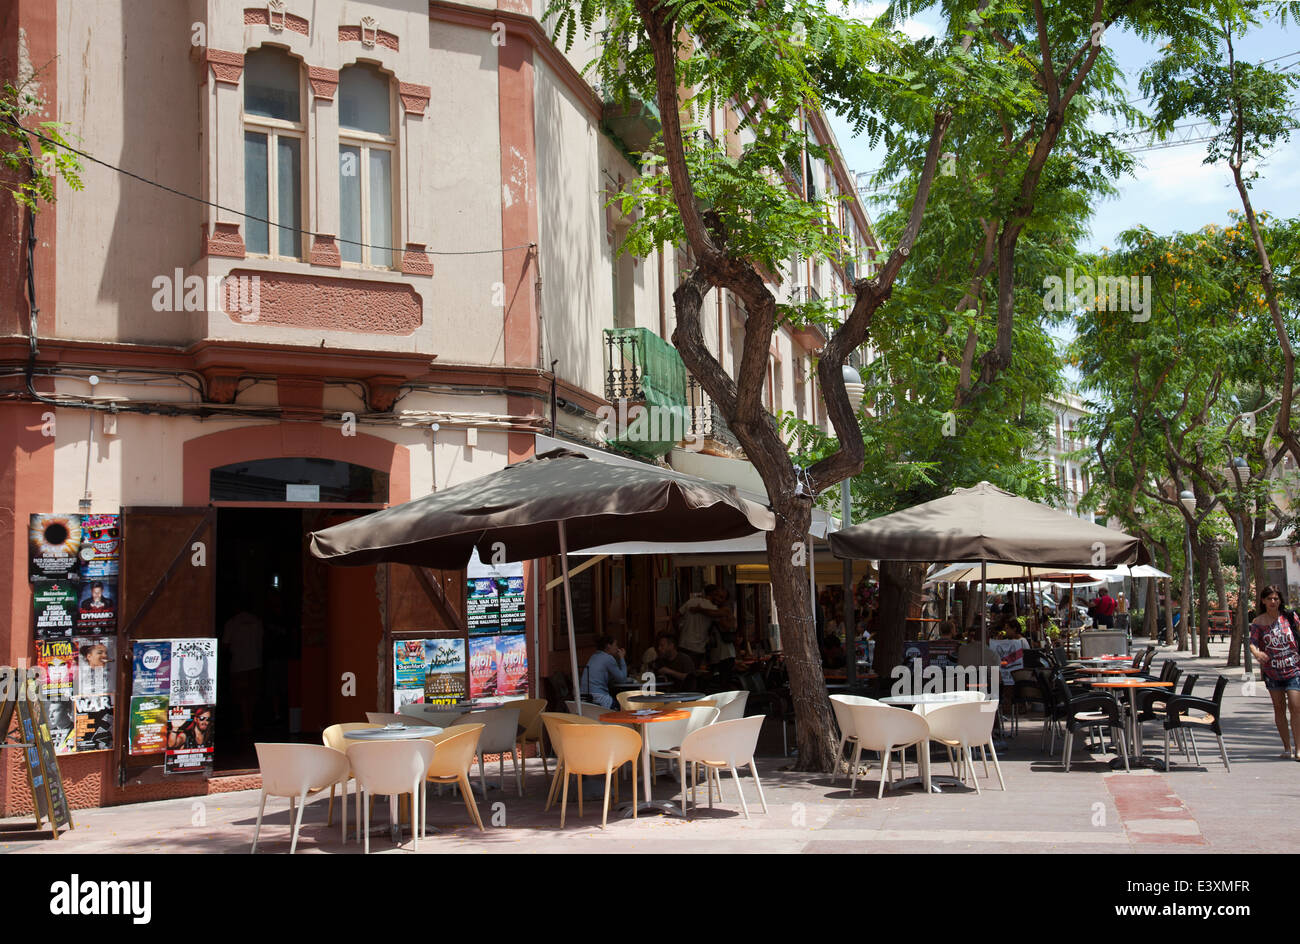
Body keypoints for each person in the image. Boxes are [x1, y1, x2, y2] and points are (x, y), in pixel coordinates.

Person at [1248, 586, 1300, 760]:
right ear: (1263, 601)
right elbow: (1252, 643)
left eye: (1276, 598)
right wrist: (1256, 653)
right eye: (1269, 598)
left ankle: (1299, 748)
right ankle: (1287, 747)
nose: (1273, 602)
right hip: (1272, 672)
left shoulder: (1290, 617)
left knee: (1296, 707)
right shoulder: (1258, 622)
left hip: (1294, 669)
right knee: (1279, 709)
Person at [678, 585, 724, 665]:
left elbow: (676, 616)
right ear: (713, 594)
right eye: (718, 595)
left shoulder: (691, 601)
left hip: (683, 643)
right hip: (697, 647)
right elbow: (723, 622)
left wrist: (679, 630)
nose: (719, 599)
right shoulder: (713, 608)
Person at [580, 635, 629, 709]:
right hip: (598, 697)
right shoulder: (608, 658)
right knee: (624, 708)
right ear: (608, 646)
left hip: (583, 696)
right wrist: (622, 658)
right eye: (615, 645)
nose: (617, 648)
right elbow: (622, 679)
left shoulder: (594, 656)